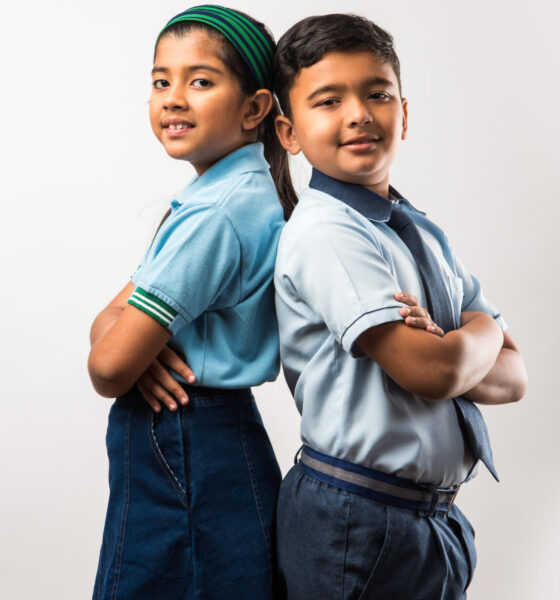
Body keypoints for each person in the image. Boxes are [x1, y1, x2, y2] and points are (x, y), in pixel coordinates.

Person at [272, 13, 527, 600]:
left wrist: (463, 339)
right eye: (328, 100)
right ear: (289, 133)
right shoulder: (326, 233)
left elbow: (515, 376)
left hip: (429, 520)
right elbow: (432, 372)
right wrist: (479, 331)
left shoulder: (418, 232)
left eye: (377, 94)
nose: (359, 113)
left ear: (404, 114)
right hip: (358, 519)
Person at [87, 6, 296, 599]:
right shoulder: (227, 194)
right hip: (207, 434)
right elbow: (109, 322)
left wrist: (132, 352)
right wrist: (135, 349)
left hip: (186, 436)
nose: (174, 98)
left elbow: (107, 364)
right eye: (161, 81)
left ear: (255, 107)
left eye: (200, 81)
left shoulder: (216, 214)